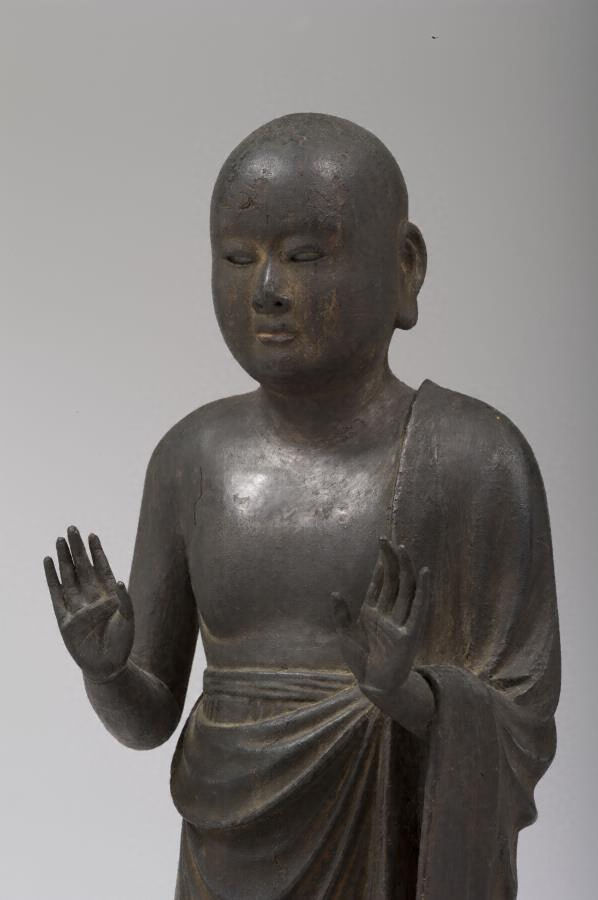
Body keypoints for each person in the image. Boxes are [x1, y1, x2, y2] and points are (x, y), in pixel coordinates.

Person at [44, 113, 560, 899]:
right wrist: (108, 671)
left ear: (406, 267)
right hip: (224, 852)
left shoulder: (475, 460)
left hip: (383, 856)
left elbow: (522, 723)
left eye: (305, 256)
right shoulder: (193, 458)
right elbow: (148, 720)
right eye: (236, 257)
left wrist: (404, 693)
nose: (267, 290)